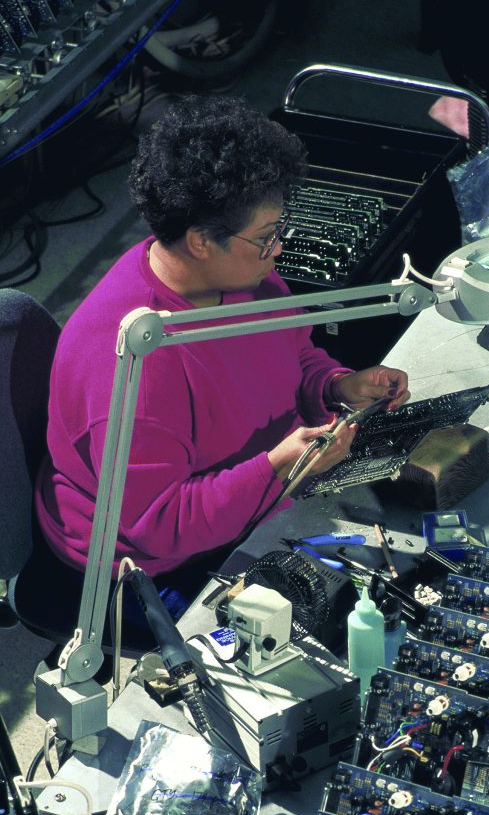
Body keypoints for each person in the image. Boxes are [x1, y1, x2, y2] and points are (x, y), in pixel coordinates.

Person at [34, 94, 409, 623]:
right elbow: (159, 523)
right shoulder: (137, 364)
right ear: (200, 241)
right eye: (264, 238)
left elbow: (294, 353)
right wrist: (280, 467)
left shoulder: (243, 276)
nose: (277, 249)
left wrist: (337, 387)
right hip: (148, 569)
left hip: (254, 496)